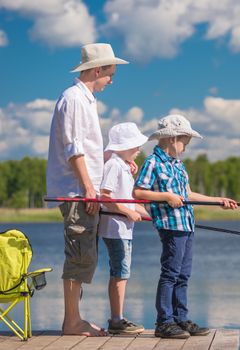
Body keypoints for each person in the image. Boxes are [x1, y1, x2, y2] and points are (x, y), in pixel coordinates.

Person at [46, 43, 128, 337]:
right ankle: (72, 323)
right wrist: (89, 189)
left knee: (84, 256)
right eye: (110, 73)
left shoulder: (86, 100)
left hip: (83, 190)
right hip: (77, 192)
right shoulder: (74, 99)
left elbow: (90, 152)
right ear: (97, 70)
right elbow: (74, 149)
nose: (111, 80)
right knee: (79, 254)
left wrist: (117, 160)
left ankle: (74, 319)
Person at [133, 114, 238, 339]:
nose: (186, 148)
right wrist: (166, 196)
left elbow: (188, 194)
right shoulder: (153, 162)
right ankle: (164, 322)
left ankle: (180, 318)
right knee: (170, 273)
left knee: (183, 275)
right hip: (171, 226)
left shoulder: (179, 166)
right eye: (185, 143)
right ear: (172, 139)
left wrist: (218, 200)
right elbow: (138, 192)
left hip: (187, 224)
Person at [98, 123, 149, 334]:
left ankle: (118, 317)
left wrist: (155, 217)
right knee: (120, 272)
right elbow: (105, 197)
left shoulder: (125, 167)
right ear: (124, 146)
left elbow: (131, 202)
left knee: (122, 272)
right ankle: (116, 320)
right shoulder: (114, 165)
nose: (138, 150)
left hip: (124, 229)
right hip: (115, 229)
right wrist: (128, 213)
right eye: (135, 146)